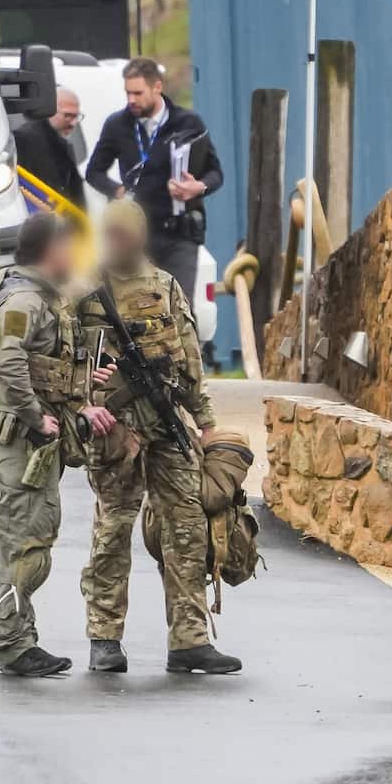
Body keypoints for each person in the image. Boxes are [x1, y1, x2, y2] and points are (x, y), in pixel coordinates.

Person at [77, 198, 241, 675]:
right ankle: (104, 636)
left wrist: (205, 423)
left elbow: (189, 359)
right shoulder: (83, 290)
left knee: (186, 527)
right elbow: (61, 359)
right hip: (115, 427)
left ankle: (189, 639)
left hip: (167, 420)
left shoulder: (164, 286)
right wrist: (84, 405)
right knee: (113, 530)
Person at [0, 213, 115, 677]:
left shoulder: (45, 297)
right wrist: (31, 414)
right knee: (25, 545)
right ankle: (12, 643)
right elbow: (7, 357)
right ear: (51, 250)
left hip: (37, 442)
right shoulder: (23, 298)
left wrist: (80, 391)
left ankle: (20, 638)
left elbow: (47, 368)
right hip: (23, 442)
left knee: (31, 540)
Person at [85, 58, 223, 301]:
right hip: (134, 236)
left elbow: (215, 174)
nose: (131, 100)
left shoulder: (188, 122)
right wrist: (116, 190)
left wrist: (197, 187)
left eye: (138, 93)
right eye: (128, 93)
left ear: (157, 87)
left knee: (180, 305)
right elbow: (94, 172)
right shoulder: (117, 125)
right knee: (136, 306)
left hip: (178, 234)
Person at [14, 86, 88, 211]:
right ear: (49, 111)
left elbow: (76, 192)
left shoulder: (63, 146)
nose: (73, 123)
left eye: (76, 116)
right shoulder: (25, 140)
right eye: (68, 115)